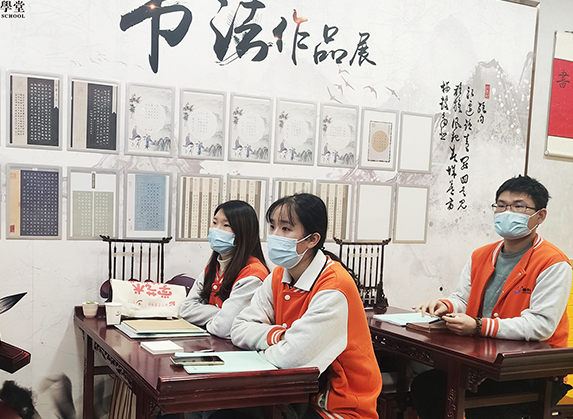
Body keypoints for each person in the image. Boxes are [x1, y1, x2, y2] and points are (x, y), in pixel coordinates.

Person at [412, 175, 572, 419]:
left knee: (487, 410)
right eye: (501, 205)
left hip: (530, 371)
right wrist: (446, 305)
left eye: (518, 206)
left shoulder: (553, 262)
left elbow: (541, 325)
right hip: (482, 360)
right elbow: (463, 299)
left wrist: (478, 326)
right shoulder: (481, 255)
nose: (507, 212)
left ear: (540, 216)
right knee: (427, 387)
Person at [231, 193, 381, 419]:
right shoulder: (279, 275)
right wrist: (280, 337)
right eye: (272, 226)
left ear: (312, 240)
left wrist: (269, 342)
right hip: (292, 396)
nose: (275, 235)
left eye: (285, 229)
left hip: (338, 405)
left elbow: (291, 358)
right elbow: (239, 328)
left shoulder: (334, 286)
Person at [179, 200, 269, 339]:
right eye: (214, 223)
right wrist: (221, 314)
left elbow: (224, 328)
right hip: (213, 342)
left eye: (226, 225)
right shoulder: (213, 267)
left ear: (244, 232)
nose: (217, 229)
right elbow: (185, 309)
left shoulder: (252, 273)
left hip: (237, 348)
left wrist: (209, 319)